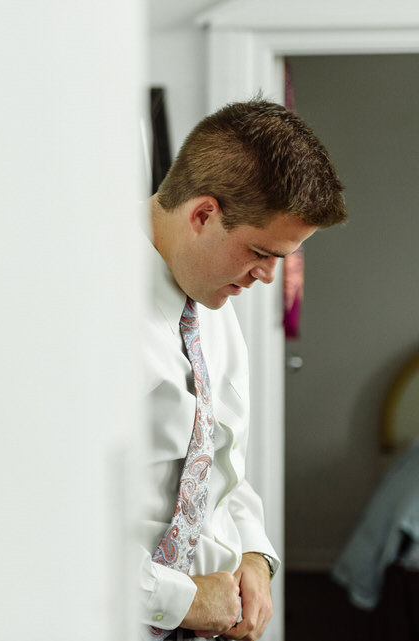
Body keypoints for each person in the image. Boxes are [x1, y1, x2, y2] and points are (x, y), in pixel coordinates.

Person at [140, 99, 348, 640]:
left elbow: (218, 461)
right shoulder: (74, 313)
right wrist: (178, 600)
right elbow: (34, 517)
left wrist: (255, 553)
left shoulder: (214, 309)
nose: (268, 278)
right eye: (261, 251)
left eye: (283, 258)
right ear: (203, 213)